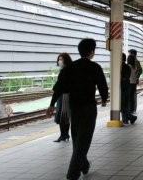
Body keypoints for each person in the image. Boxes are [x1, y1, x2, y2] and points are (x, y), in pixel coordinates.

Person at [46, 38, 109, 180]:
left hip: (73, 108)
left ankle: (84, 164)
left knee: (77, 138)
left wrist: (51, 104)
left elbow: (59, 87)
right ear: (92, 52)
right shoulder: (95, 67)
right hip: (88, 108)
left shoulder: (69, 68)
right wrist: (104, 99)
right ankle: (72, 174)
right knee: (84, 140)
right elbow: (102, 86)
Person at [53, 52, 73, 142]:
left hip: (65, 96)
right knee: (64, 116)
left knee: (63, 116)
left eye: (61, 59)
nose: (59, 61)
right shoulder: (66, 69)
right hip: (62, 96)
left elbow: (61, 84)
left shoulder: (66, 70)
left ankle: (64, 135)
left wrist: (55, 88)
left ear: (66, 60)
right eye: (59, 59)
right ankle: (64, 135)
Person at [123, 53, 137, 124]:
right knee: (131, 98)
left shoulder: (128, 66)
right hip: (134, 83)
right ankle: (131, 111)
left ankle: (129, 114)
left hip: (130, 84)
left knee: (127, 100)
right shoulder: (134, 67)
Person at [128, 49, 142, 113]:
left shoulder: (135, 61)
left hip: (132, 80)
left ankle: (133, 108)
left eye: (130, 53)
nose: (129, 55)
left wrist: (136, 77)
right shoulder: (135, 61)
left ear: (133, 54)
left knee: (132, 95)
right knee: (133, 95)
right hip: (133, 80)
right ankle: (133, 108)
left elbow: (140, 70)